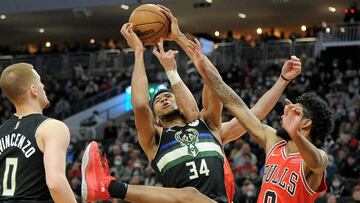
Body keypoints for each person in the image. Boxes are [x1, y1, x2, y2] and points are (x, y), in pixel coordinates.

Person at [81, 5, 302, 203]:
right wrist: (139, 52)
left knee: (191, 195)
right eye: (158, 100)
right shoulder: (154, 140)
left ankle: (109, 187)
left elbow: (224, 90)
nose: (164, 98)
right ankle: (104, 186)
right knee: (189, 195)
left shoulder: (211, 126)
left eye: (168, 96)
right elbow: (139, 105)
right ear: (156, 117)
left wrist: (178, 38)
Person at [188, 38, 333, 202]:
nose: (285, 113)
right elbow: (237, 106)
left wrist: (295, 134)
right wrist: (204, 68)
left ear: (306, 123)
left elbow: (318, 163)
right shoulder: (274, 140)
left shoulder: (318, 157)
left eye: (295, 111)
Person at [0, 63, 76, 202]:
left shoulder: (1, 131)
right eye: (40, 81)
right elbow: (55, 184)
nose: (43, 86)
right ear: (34, 90)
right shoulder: (51, 127)